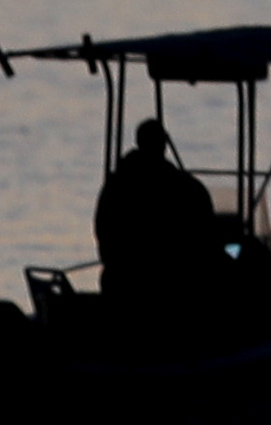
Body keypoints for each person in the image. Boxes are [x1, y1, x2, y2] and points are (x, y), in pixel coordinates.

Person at [93, 115, 221, 301]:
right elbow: (204, 238)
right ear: (164, 145)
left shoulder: (117, 185)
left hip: (120, 281)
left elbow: (102, 230)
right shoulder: (184, 188)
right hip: (169, 285)